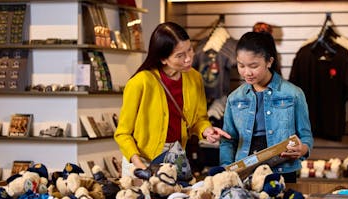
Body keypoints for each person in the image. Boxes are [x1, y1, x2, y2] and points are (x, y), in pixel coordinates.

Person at [114, 22, 231, 178]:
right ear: (163, 59)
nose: (188, 59)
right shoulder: (139, 82)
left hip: (175, 158)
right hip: (141, 161)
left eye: (189, 50)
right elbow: (123, 134)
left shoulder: (194, 78)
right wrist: (140, 166)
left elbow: (199, 119)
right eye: (180, 56)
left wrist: (206, 130)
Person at [219, 32, 313, 183]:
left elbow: (306, 136)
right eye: (241, 65)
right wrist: (225, 169)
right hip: (243, 172)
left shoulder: (294, 94)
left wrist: (302, 149)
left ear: (269, 62)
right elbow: (228, 140)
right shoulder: (234, 98)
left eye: (253, 66)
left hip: (283, 171)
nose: (246, 72)